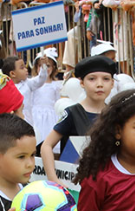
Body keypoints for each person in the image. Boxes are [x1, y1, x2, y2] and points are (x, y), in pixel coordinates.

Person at [41, 55, 115, 187]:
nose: (99, 84)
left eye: (106, 79)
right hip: (76, 186)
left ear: (112, 83)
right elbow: (46, 146)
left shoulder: (115, 114)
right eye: (92, 79)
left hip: (107, 185)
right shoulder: (72, 113)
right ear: (81, 83)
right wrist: (53, 178)